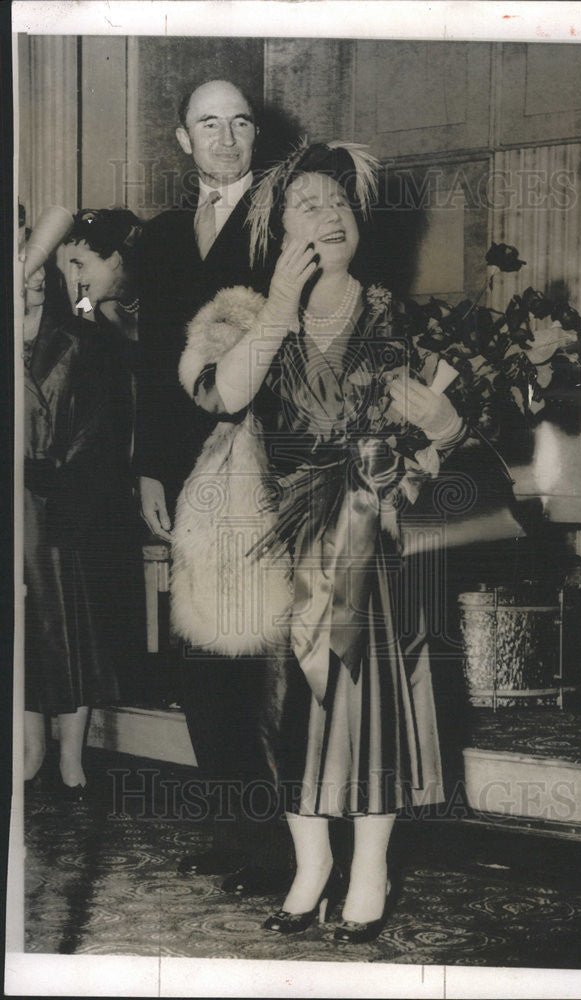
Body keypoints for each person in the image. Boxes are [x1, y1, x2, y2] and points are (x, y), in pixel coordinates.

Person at [174, 142, 467, 942]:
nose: (328, 214)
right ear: (275, 232)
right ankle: (312, 866)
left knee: (376, 708)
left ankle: (368, 869)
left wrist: (446, 426)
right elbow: (225, 395)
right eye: (306, 204)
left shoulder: (398, 319)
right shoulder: (254, 318)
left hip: (379, 541)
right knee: (289, 715)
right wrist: (276, 304)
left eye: (339, 202)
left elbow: (460, 435)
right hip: (281, 545)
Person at [135, 79, 288, 890]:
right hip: (186, 478)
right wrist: (150, 467)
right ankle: (231, 830)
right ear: (183, 140)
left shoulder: (285, 218)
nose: (225, 137)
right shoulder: (160, 238)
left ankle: (277, 846)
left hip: (260, 465)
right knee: (200, 658)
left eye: (239, 123)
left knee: (255, 658)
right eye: (208, 124)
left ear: (254, 135)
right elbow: (151, 367)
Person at [23, 208, 141, 798]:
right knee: (21, 632)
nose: (44, 280)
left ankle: (71, 758)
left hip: (62, 506)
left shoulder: (85, 337)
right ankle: (28, 750)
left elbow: (101, 427)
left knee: (69, 627)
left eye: (54, 270)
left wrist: (59, 475)